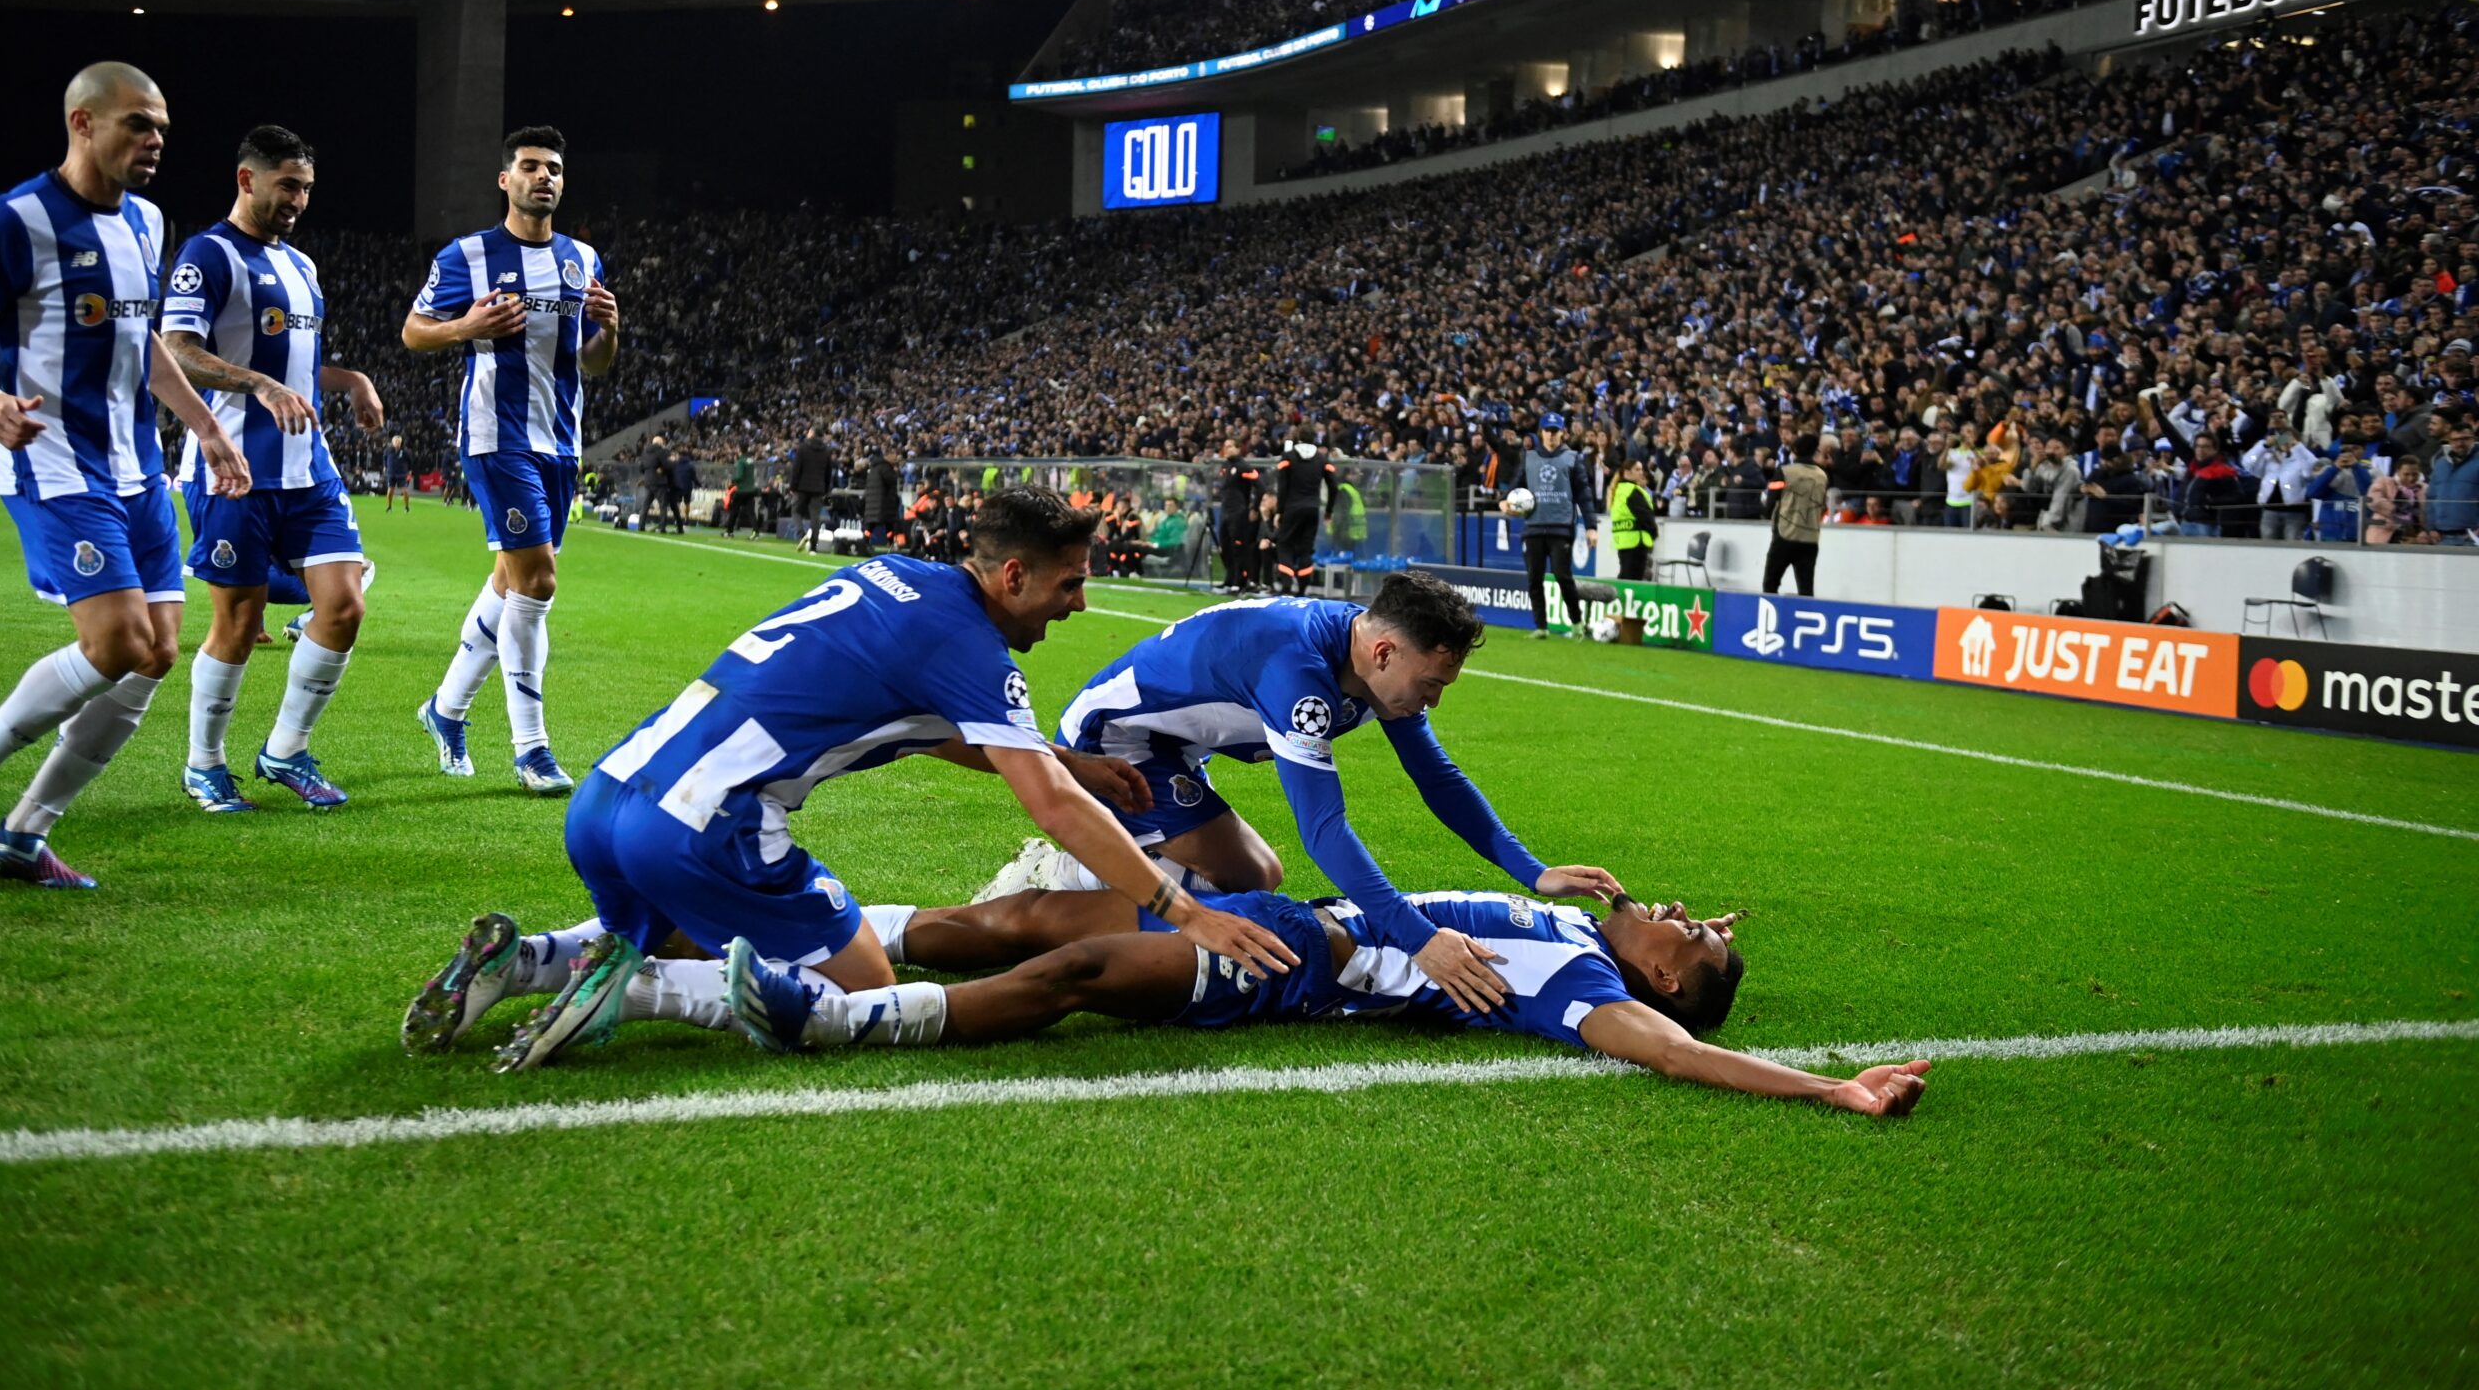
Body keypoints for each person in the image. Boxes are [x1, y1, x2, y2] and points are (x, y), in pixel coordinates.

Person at [399, 487, 1299, 1071]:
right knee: (864, 996)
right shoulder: (969, 648)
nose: (1081, 601)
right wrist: (1187, 911)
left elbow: (911, 729)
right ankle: (624, 989)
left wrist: (1061, 757)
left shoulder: (890, 573)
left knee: (691, 929)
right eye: (1069, 582)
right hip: (710, 825)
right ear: (1014, 573)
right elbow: (1052, 805)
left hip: (612, 795)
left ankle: (527, 959)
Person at [970, 571, 1625, 1014]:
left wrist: (1532, 871)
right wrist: (1419, 939)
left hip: (1174, 742)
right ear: (1388, 652)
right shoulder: (1301, 674)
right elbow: (1325, 829)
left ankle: (1094, 871)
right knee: (1246, 879)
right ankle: (1059, 870)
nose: (1434, 699)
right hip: (1113, 740)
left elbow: (1438, 779)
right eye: (1432, 682)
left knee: (1253, 876)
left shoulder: (1372, 665)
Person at [720, 885, 1927, 1118]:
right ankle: (760, 929)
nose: (1684, 911)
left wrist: (1831, 1087)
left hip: (1285, 971)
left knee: (1078, 978)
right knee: (1001, 922)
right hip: (1275, 907)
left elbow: (1669, 1055)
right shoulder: (1566, 913)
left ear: (1665, 974)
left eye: (1692, 933)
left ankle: (832, 1019)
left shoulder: (1582, 980)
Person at [0, 61, 252, 891]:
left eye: (163, 129)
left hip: (138, 467)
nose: (154, 142)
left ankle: (24, 834)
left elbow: (145, 349)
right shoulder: (14, 220)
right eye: (138, 124)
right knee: (115, 642)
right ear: (82, 123)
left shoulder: (145, 222)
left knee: (156, 653)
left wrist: (208, 429)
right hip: (57, 462)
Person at [159, 124, 384, 813]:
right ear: (247, 179)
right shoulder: (209, 254)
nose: (297, 200)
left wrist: (351, 380)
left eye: (307, 189)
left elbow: (295, 365)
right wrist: (256, 384)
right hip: (234, 470)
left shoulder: (302, 266)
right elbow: (175, 349)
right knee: (237, 622)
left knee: (344, 605)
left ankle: (285, 749)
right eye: (287, 185)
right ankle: (204, 763)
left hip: (307, 469)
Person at [405, 125, 620, 796]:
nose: (542, 177)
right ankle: (532, 749)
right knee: (539, 581)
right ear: (506, 179)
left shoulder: (582, 258)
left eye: (553, 167)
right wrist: (466, 326)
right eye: (529, 166)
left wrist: (610, 329)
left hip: (561, 440)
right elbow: (415, 331)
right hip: (497, 436)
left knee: (511, 581)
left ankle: (444, 709)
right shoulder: (467, 254)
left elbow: (593, 362)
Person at [1504, 413, 1596, 637]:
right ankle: (1541, 627)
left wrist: (1592, 526)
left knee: (1563, 576)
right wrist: (1504, 501)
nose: (1552, 435)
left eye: (1556, 431)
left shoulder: (1573, 458)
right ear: (1541, 432)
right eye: (1548, 430)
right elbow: (1514, 487)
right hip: (1533, 527)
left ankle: (1576, 624)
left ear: (1562, 433)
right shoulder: (1529, 457)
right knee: (1534, 578)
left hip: (1561, 527)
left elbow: (1584, 494)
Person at [1270, 437, 1340, 595]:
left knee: (1284, 544)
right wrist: (1329, 510)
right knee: (1305, 550)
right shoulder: (1322, 459)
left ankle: (1286, 585)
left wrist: (1280, 511)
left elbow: (1282, 486)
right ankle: (1302, 590)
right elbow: (1334, 486)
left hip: (1291, 508)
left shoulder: (1288, 457)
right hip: (1312, 509)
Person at [1762, 436, 1829, 596]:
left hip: (1785, 534)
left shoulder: (1784, 472)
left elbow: (1771, 500)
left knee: (1770, 583)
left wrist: (1766, 513)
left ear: (1795, 451)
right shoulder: (1822, 475)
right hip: (1810, 538)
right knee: (1806, 588)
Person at [2240, 423, 2321, 543]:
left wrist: (2297, 447)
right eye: (2283, 439)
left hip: (2294, 512)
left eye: (2289, 439)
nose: (2285, 442)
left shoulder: (2301, 459)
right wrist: (2264, 445)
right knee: (2268, 546)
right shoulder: (2269, 457)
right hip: (2269, 510)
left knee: (2293, 546)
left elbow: (2310, 470)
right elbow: (2247, 463)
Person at [1214, 437, 1260, 593]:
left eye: (1231, 446)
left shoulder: (1244, 467)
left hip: (1238, 512)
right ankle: (1229, 578)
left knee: (1238, 547)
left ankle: (1239, 581)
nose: (1227, 449)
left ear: (1238, 448)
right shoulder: (1225, 466)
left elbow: (1260, 487)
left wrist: (1254, 507)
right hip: (1225, 511)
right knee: (1224, 547)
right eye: (1225, 446)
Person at [2427, 412, 2478, 544]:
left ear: (2474, 439)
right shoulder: (2440, 464)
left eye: (2465, 438)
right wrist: (2431, 527)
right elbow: (2431, 497)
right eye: (2455, 439)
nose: (2460, 443)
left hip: (2472, 537)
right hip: (2441, 537)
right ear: (2449, 441)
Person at [1606, 456, 1657, 584]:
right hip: (1636, 541)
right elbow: (1645, 516)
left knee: (1625, 576)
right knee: (1633, 581)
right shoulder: (1632, 491)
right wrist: (1654, 533)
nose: (1641, 472)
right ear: (1628, 472)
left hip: (1623, 540)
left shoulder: (1618, 490)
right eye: (1637, 469)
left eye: (1642, 470)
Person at [790, 428, 834, 550]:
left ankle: (801, 534)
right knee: (815, 516)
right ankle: (813, 546)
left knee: (796, 511)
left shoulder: (803, 448)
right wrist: (826, 489)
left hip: (802, 487)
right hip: (818, 488)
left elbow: (796, 469)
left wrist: (793, 486)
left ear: (812, 434)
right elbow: (828, 473)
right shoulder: (826, 451)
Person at [382, 433, 414, 512]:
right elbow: (385, 459)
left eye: (399, 442)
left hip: (402, 473)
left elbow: (410, 462)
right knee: (390, 490)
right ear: (392, 442)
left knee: (405, 490)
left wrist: (410, 471)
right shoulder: (388, 450)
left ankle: (406, 507)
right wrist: (385, 466)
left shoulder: (405, 451)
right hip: (391, 473)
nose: (397, 443)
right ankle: (389, 506)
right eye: (396, 442)